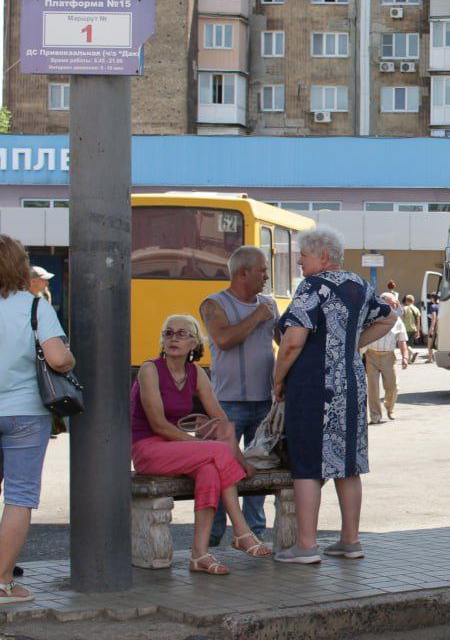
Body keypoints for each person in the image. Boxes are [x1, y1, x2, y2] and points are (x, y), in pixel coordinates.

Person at [272, 227, 393, 563]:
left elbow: (293, 340)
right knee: (348, 463)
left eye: (304, 255)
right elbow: (388, 318)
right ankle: (350, 540)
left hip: (314, 385)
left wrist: (278, 379)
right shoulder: (358, 285)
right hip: (352, 382)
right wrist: (351, 345)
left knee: (308, 463)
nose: (299, 261)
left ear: (322, 257)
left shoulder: (313, 286)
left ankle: (307, 546)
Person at [130, 315, 272, 575]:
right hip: (148, 449)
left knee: (209, 470)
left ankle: (199, 555)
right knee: (215, 452)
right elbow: (159, 425)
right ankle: (241, 530)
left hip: (179, 451)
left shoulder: (196, 373)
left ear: (194, 343)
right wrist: (200, 445)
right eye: (168, 333)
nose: (173, 338)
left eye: (182, 334)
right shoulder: (149, 369)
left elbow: (221, 419)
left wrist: (239, 459)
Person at [0, 236, 74, 604]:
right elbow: (58, 359)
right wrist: (71, 361)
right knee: (19, 497)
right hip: (26, 413)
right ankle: (3, 582)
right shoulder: (34, 307)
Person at [200, 245, 278, 545]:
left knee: (258, 468)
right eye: (261, 271)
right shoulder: (214, 304)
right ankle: (216, 534)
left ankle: (255, 532)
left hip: (264, 401)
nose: (266, 276)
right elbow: (223, 338)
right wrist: (257, 316)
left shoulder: (270, 304)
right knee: (222, 470)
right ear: (241, 273)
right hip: (226, 404)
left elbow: (284, 342)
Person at [364, 293, 410, 423]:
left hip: (389, 357)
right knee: (373, 388)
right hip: (371, 355)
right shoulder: (371, 318)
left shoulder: (397, 321)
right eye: (391, 303)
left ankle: (390, 408)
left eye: (395, 304)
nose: (393, 306)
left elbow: (402, 342)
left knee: (393, 386)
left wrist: (405, 357)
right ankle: (375, 416)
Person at [425, 292, 439, 363]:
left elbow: (434, 318)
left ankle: (430, 359)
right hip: (441, 326)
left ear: (432, 298)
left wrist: (432, 328)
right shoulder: (441, 305)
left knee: (430, 343)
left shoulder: (433, 306)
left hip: (435, 326)